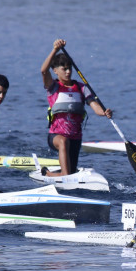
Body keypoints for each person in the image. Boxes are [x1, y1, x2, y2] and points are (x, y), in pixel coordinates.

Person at [40, 39, 112, 177]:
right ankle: (64, 175)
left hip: (75, 138)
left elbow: (95, 107)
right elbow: (43, 70)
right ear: (55, 70)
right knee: (63, 142)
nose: (68, 72)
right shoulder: (53, 86)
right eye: (64, 69)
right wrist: (55, 49)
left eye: (69, 68)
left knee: (72, 171)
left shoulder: (81, 87)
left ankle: (50, 174)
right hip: (55, 136)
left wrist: (104, 112)